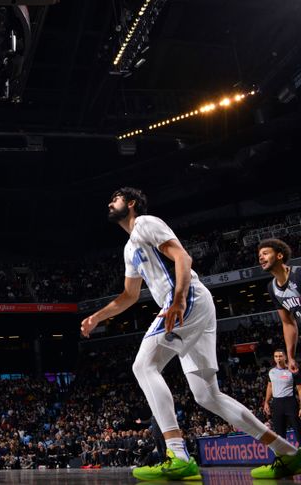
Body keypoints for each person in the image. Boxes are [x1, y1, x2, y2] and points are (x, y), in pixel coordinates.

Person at [80, 187, 301, 480]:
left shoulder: (146, 223)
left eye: (116, 198)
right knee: (207, 395)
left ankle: (177, 455)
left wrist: (179, 299)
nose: (110, 202)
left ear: (131, 204)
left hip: (186, 299)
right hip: (193, 304)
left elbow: (183, 258)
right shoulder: (129, 248)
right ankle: (287, 453)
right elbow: (129, 296)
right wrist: (97, 317)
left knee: (143, 365)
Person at [258, 238, 301, 372]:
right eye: (259, 256)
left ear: (279, 255)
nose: (261, 258)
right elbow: (288, 323)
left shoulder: (298, 273)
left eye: (265, 253)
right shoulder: (272, 288)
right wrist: (290, 357)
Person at [263, 349, 301, 440]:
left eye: (280, 356)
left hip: (290, 403)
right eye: (276, 356)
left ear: (285, 357)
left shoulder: (293, 371)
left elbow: (299, 389)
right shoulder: (271, 371)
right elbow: (270, 386)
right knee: (279, 433)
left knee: (298, 429)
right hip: (277, 403)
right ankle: (282, 454)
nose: (278, 358)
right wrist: (266, 402)